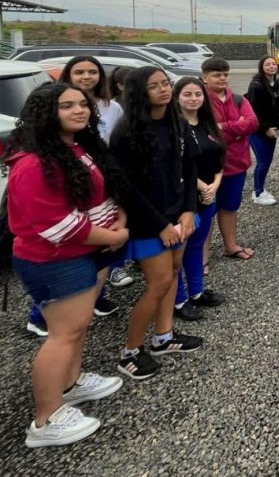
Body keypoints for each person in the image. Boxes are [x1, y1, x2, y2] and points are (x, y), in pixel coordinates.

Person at [6, 83, 127, 447]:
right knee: (63, 334)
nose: (79, 111)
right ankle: (46, 420)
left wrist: (117, 215)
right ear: (45, 113)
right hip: (55, 260)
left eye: (82, 104)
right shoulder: (34, 163)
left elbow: (93, 199)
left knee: (77, 327)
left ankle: (71, 384)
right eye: (66, 106)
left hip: (81, 253)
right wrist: (115, 237)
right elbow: (56, 225)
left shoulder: (72, 148)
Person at [110, 67, 200, 380]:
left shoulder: (176, 122)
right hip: (149, 221)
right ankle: (131, 351)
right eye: (154, 86)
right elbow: (125, 187)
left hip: (179, 213)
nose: (163, 90)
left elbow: (189, 168)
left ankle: (164, 336)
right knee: (159, 282)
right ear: (138, 91)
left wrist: (189, 210)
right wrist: (160, 224)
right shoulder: (127, 132)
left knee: (174, 271)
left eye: (166, 83)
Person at [57, 56, 123, 310]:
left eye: (92, 71)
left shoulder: (112, 107)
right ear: (68, 75)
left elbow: (116, 143)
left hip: (102, 177)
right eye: (80, 72)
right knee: (71, 243)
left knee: (103, 236)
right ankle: (42, 312)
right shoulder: (57, 104)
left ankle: (97, 295)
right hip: (70, 177)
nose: (87, 77)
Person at [172, 78, 227, 321]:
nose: (194, 98)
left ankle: (196, 292)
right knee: (178, 252)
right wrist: (202, 186)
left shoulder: (207, 124)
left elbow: (219, 158)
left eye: (197, 94)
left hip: (208, 194)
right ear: (177, 97)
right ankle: (178, 299)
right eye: (188, 94)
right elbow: (176, 164)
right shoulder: (174, 127)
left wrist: (215, 184)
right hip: (185, 198)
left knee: (197, 245)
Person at [202, 58, 259, 258]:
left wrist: (225, 127)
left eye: (225, 74)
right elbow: (204, 131)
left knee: (230, 206)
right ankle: (202, 258)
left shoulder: (238, 99)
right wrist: (237, 128)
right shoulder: (200, 101)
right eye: (217, 75)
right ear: (205, 78)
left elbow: (252, 123)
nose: (222, 78)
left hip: (236, 163)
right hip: (207, 166)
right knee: (205, 211)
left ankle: (231, 245)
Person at [245, 56, 279, 206]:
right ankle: (257, 192)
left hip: (273, 129)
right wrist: (265, 127)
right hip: (258, 130)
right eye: (268, 64)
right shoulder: (256, 85)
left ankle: (260, 188)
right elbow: (254, 110)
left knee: (267, 161)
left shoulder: (277, 83)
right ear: (261, 67)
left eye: (274, 64)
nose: (271, 66)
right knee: (263, 161)